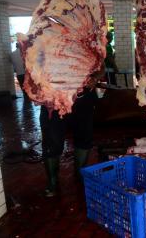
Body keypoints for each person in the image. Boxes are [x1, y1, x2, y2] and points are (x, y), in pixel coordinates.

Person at [40, 66, 104, 197]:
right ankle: (52, 180)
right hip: (54, 99)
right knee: (52, 141)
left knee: (84, 137)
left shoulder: (87, 44)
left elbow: (101, 64)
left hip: (83, 99)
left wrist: (95, 77)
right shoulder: (47, 45)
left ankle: (80, 174)